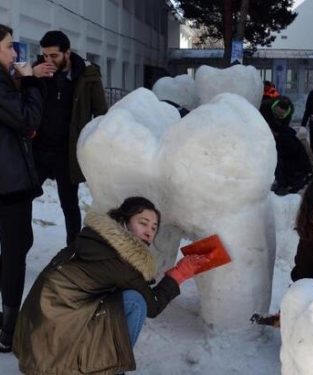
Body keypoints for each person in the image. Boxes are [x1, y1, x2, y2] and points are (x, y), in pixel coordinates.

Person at [13, 196, 208, 374]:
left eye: (154, 228)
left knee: (119, 298)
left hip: (36, 345)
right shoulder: (122, 261)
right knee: (135, 302)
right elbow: (152, 305)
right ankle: (113, 369)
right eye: (143, 223)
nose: (149, 232)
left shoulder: (93, 237)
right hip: (55, 357)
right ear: (123, 222)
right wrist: (179, 274)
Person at [32, 30, 108, 245]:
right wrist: (31, 75)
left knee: (69, 204)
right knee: (21, 199)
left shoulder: (88, 75)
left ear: (67, 53)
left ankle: (73, 251)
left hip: (67, 153)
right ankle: (15, 248)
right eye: (45, 56)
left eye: (53, 56)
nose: (48, 60)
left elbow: (101, 114)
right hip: (38, 150)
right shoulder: (36, 72)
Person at [0, 24, 44, 352]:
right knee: (15, 252)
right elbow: (28, 119)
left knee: (14, 248)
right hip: (9, 185)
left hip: (8, 178)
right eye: (8, 47)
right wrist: (29, 80)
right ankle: (8, 331)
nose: (14, 53)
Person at [260, 96, 312, 196]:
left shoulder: (289, 114)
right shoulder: (265, 106)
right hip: (266, 132)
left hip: (280, 138)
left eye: (281, 115)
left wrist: (277, 134)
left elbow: (283, 127)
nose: (278, 116)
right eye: (276, 113)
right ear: (274, 107)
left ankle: (284, 183)